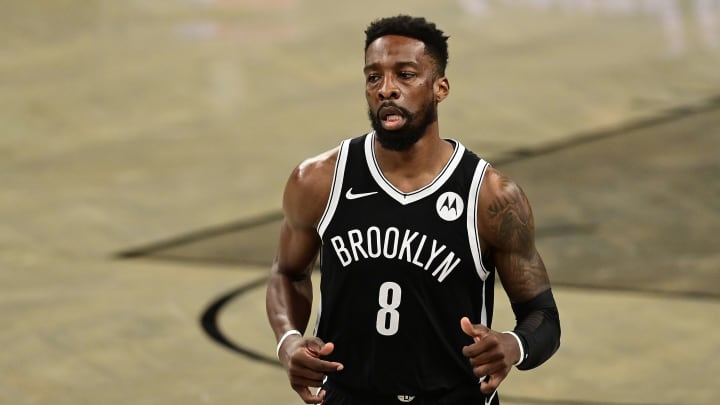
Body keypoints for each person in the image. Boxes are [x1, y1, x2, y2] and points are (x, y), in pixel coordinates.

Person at [266, 15, 560, 405]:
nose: (386, 89)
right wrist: (288, 341)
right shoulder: (318, 180)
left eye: (405, 75)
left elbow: (544, 317)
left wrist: (513, 344)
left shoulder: (490, 196)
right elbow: (287, 272)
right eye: (374, 77)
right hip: (346, 397)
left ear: (440, 88)